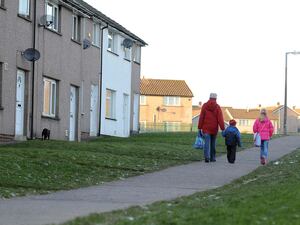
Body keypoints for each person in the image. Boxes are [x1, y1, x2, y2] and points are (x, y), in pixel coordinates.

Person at [198, 93, 225, 163]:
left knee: (206, 143)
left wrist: (199, 128)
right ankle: (213, 157)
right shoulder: (217, 107)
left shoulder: (204, 106)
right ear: (216, 98)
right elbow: (220, 119)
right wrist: (222, 129)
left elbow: (201, 117)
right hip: (214, 128)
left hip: (206, 128)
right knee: (213, 143)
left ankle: (207, 157)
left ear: (209, 98)